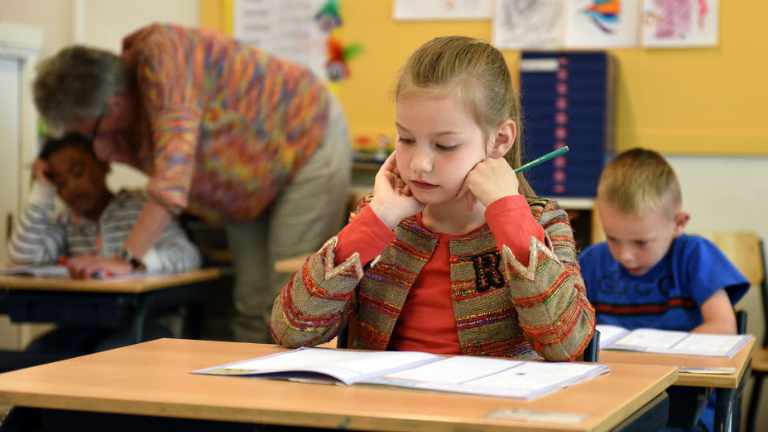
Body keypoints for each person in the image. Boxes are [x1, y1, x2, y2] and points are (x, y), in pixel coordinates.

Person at [271, 36, 595, 360]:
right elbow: (292, 328)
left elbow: (564, 343)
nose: (419, 164)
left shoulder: (543, 223)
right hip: (385, 405)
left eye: (445, 145)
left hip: (490, 407)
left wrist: (508, 214)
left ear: (500, 140)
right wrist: (376, 221)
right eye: (406, 139)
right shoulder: (382, 220)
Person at [32, 23, 351, 343]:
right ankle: (246, 391)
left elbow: (172, 179)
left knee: (292, 300)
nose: (93, 141)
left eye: (90, 130)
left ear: (113, 104)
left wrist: (124, 261)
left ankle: (295, 391)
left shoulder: (162, 56)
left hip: (306, 141)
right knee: (251, 304)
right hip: (245, 184)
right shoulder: (119, 121)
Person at [579, 148, 749, 431]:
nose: (625, 255)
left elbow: (722, 325)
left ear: (678, 223)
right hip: (608, 399)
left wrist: (655, 360)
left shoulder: (694, 255)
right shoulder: (593, 261)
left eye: (641, 242)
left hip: (683, 403)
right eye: (613, 239)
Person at [8, 133, 201, 354]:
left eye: (78, 172)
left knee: (109, 356)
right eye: (59, 184)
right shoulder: (65, 222)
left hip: (142, 322)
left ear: (104, 165)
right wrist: (42, 191)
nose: (72, 187)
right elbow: (22, 257)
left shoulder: (142, 208)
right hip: (83, 322)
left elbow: (187, 254)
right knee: (35, 356)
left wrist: (133, 263)